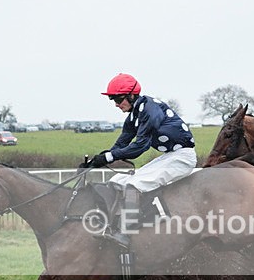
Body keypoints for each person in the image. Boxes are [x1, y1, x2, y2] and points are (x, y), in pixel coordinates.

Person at [81, 73, 197, 247]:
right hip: (169, 156)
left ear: (131, 95)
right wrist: (96, 162)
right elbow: (121, 145)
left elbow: (140, 147)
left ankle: (125, 234)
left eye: (119, 99)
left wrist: (110, 156)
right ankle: (112, 222)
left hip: (183, 157)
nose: (117, 104)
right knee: (118, 180)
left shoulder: (150, 110)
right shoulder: (133, 116)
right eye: (113, 100)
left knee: (134, 185)